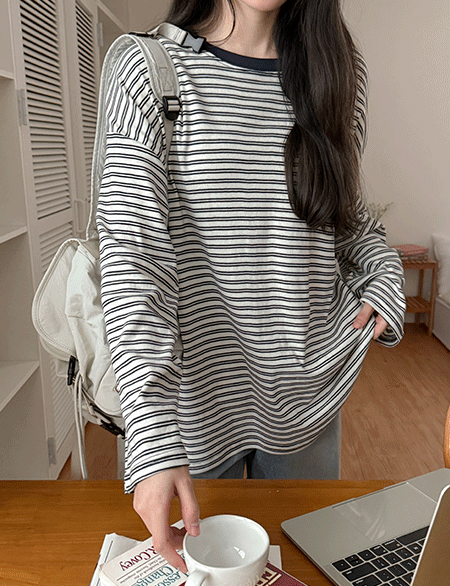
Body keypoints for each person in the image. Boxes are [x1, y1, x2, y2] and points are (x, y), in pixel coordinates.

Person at [97, 0, 405, 574]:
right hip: (192, 411)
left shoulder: (338, 72)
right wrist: (153, 432)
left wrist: (383, 272)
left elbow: (345, 218)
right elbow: (133, 262)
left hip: (310, 396)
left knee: (307, 572)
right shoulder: (149, 69)